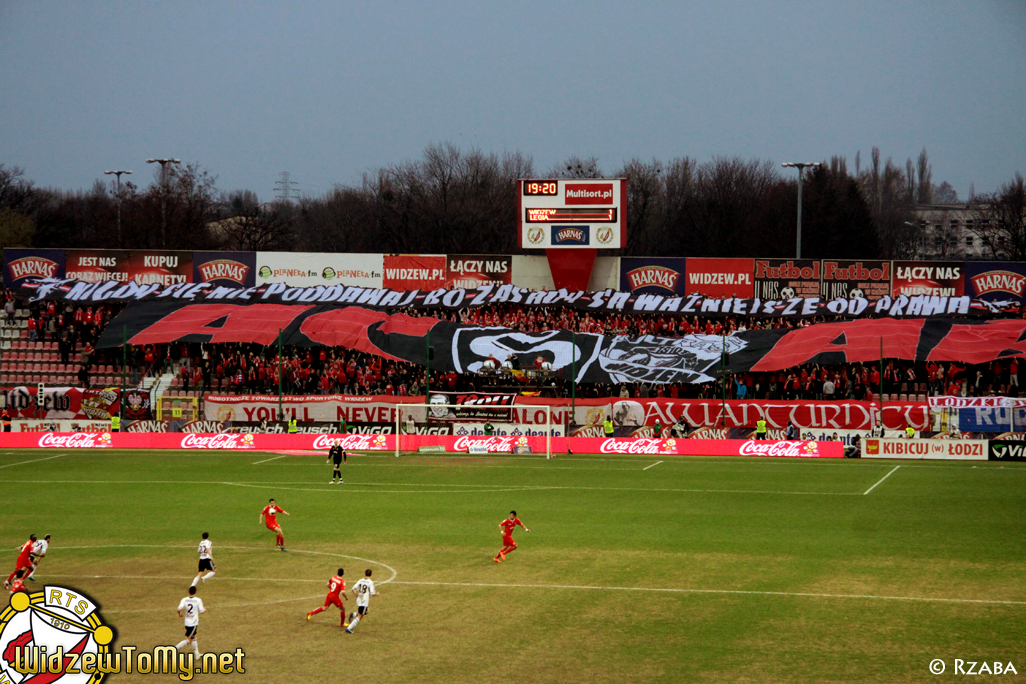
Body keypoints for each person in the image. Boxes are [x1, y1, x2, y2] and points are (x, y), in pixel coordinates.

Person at [175, 586, 205, 657]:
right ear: (196, 592)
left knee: (194, 637)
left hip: (187, 622)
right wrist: (205, 609)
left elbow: (178, 609)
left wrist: (179, 615)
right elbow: (202, 611)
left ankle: (197, 654)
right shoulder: (198, 600)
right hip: (193, 623)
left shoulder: (184, 599)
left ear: (188, 592)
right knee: (189, 640)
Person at [346, 569, 378, 634]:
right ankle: (349, 628)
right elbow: (372, 593)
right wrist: (377, 594)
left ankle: (354, 614)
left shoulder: (360, 580)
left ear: (365, 573)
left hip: (359, 600)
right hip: (364, 601)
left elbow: (353, 589)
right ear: (371, 574)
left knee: (366, 612)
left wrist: (356, 595)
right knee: (360, 616)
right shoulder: (370, 582)